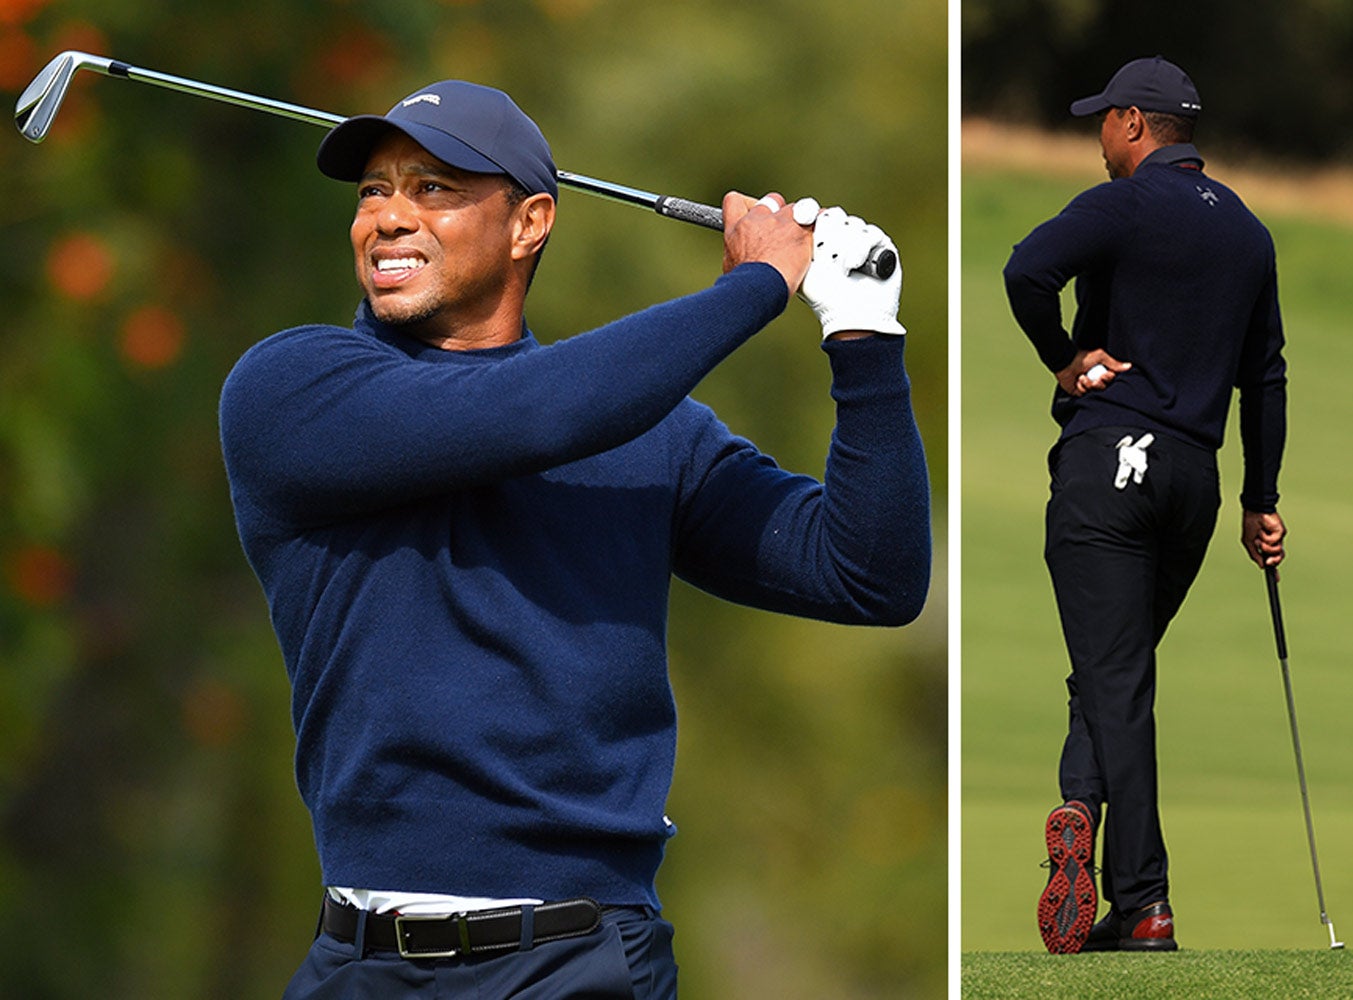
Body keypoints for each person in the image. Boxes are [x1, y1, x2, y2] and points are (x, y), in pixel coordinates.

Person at [218, 78, 929, 996]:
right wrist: (757, 282)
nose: (388, 218)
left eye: (432, 188)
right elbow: (528, 416)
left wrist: (864, 332)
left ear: (529, 223)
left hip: (575, 967)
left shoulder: (651, 433)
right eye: (373, 192)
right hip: (355, 965)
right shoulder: (292, 389)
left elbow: (868, 574)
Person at [1002, 56, 1287, 954]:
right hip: (1193, 486)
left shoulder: (1121, 203)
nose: (1098, 135)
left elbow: (1024, 271)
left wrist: (1062, 354)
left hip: (1108, 464)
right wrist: (1259, 500)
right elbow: (1265, 379)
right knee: (1111, 671)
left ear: (1131, 123)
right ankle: (1093, 830)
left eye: (1102, 120)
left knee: (1113, 676)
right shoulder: (1249, 231)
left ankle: (1146, 900)